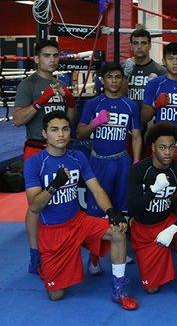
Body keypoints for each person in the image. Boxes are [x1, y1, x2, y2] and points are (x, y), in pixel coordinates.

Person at [23, 111, 138, 309]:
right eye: (54, 130)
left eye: (65, 129)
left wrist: (111, 211)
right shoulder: (34, 163)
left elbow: (96, 188)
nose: (61, 134)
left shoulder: (77, 157)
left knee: (118, 232)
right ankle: (44, 260)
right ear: (44, 134)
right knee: (56, 295)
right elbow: (34, 206)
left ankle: (118, 290)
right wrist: (54, 186)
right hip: (53, 231)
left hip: (79, 222)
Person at [13, 39, 77, 274]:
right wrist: (41, 101)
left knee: (61, 198)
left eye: (55, 55)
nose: (52, 59)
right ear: (37, 59)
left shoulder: (60, 85)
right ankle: (35, 256)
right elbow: (18, 119)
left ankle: (61, 245)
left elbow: (70, 121)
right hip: (36, 149)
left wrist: (70, 102)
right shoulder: (28, 85)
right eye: (47, 55)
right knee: (35, 205)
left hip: (59, 151)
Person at [127, 123, 177, 300]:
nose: (167, 152)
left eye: (171, 147)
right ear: (153, 147)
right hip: (144, 230)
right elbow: (133, 208)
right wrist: (153, 190)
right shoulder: (139, 170)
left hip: (167, 222)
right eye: (163, 147)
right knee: (152, 289)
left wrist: (172, 230)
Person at [77, 62, 142, 274]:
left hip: (122, 160)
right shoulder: (93, 104)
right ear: (102, 80)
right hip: (99, 161)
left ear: (123, 80)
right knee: (98, 212)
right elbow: (80, 134)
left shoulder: (130, 105)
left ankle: (119, 246)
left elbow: (137, 135)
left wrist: (136, 161)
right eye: (110, 77)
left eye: (117, 77)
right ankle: (94, 257)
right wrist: (96, 123)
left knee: (121, 208)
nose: (114, 81)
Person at [142, 42, 177, 180]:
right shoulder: (154, 84)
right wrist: (156, 105)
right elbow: (144, 117)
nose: (175, 63)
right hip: (162, 142)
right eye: (170, 59)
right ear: (164, 61)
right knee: (160, 183)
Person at [121, 28, 167, 103]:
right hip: (129, 113)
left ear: (149, 46)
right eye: (136, 43)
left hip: (151, 113)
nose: (139, 47)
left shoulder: (160, 71)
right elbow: (119, 96)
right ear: (131, 46)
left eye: (143, 43)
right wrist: (125, 75)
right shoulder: (123, 69)